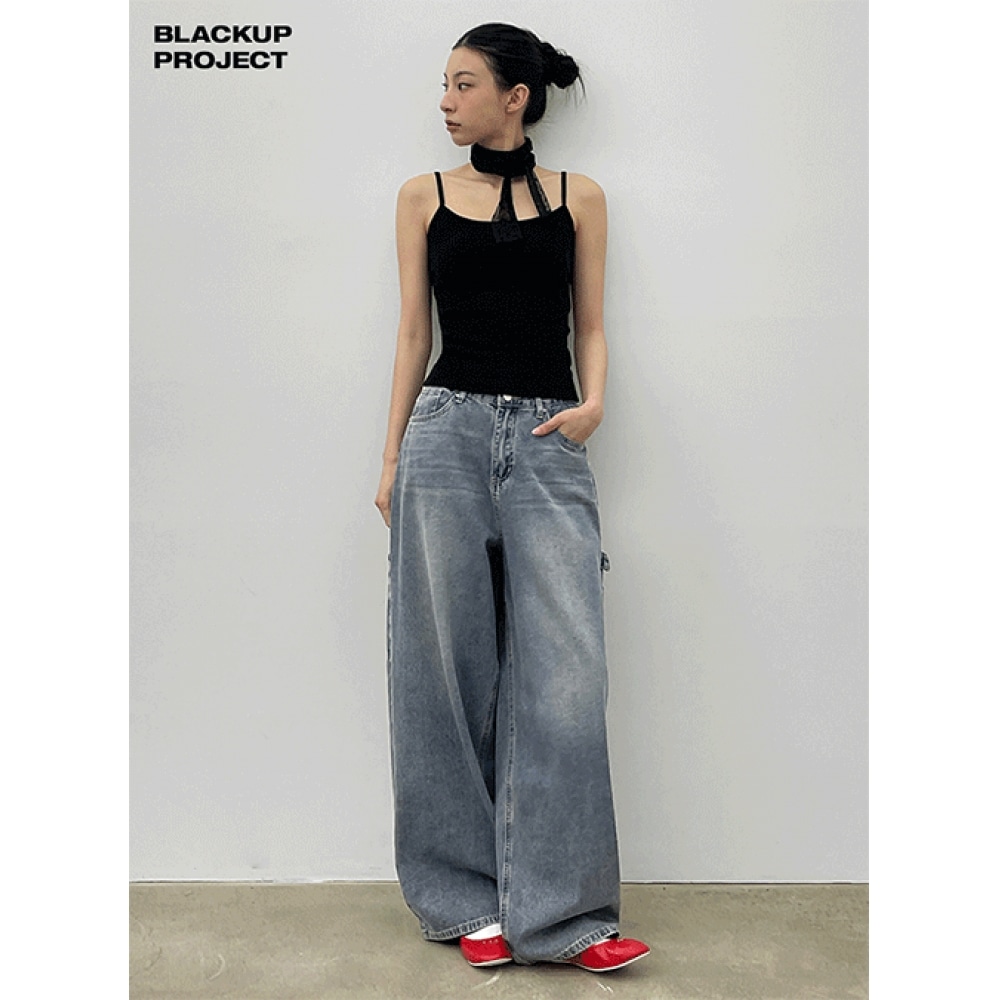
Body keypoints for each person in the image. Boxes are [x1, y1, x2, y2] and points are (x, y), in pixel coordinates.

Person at [374, 23, 650, 973]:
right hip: (444, 437)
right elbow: (414, 336)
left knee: (566, 680)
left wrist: (593, 407)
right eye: (444, 84)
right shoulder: (422, 195)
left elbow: (591, 325)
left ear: (515, 96)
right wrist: (390, 459)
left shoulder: (581, 197)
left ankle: (566, 916)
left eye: (464, 84)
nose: (446, 101)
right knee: (442, 671)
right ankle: (462, 901)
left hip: (546, 440)